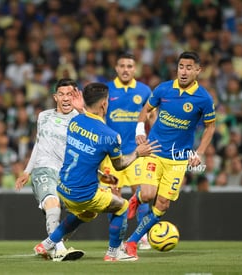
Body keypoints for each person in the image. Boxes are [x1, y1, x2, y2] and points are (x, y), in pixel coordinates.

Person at [33, 82, 160, 262]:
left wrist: (81, 109)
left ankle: (47, 243)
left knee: (86, 213)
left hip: (62, 187)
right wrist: (137, 153)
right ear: (104, 104)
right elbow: (120, 165)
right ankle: (114, 252)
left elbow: (89, 137)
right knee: (122, 206)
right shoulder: (110, 135)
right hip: (83, 193)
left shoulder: (75, 122)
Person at [124, 51, 216, 258]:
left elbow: (210, 128)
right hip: (155, 151)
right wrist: (140, 131)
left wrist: (199, 153)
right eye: (181, 66)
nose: (184, 71)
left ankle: (132, 241)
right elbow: (146, 109)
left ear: (198, 71)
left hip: (178, 159)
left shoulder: (204, 98)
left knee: (162, 205)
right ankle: (137, 198)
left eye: (189, 67)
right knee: (147, 194)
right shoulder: (163, 88)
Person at [15, 78, 84, 261]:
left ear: (76, 96)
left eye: (70, 94)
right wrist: (27, 171)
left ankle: (50, 244)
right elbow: (39, 144)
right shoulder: (43, 116)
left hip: (68, 174)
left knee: (81, 214)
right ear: (55, 97)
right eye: (61, 94)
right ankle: (60, 249)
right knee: (52, 205)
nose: (66, 98)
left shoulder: (81, 119)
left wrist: (83, 109)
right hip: (44, 168)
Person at [101, 53, 153, 249]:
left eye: (129, 66)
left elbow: (151, 117)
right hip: (110, 155)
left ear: (135, 69)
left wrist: (155, 141)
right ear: (116, 68)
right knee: (113, 196)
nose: (125, 69)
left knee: (141, 193)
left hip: (137, 151)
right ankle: (118, 239)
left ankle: (142, 236)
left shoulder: (144, 90)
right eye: (122, 65)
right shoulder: (107, 90)